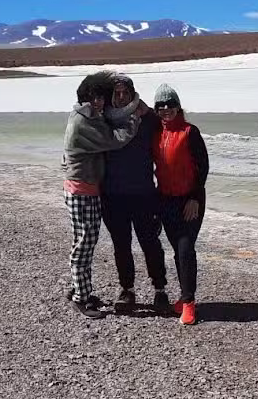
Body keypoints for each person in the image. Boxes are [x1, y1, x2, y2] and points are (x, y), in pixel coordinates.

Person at [62, 72, 142, 319]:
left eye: (101, 97)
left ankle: (80, 288)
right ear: (84, 97)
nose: (98, 102)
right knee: (85, 244)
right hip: (81, 190)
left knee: (84, 240)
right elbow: (115, 140)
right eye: (93, 98)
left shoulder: (88, 116)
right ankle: (81, 298)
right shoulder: (83, 122)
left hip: (85, 187)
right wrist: (134, 118)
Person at [101, 73, 169, 314]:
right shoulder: (104, 120)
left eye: (125, 93)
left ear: (132, 94)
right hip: (112, 195)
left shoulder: (147, 118)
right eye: (117, 93)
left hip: (143, 194)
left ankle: (160, 289)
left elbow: (169, 131)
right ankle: (127, 290)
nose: (121, 97)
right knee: (121, 245)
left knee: (150, 243)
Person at [152, 83, 209, 326]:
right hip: (166, 200)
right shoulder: (156, 133)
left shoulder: (189, 132)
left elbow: (203, 166)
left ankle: (188, 303)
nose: (166, 109)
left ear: (178, 107)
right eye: (161, 106)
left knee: (186, 249)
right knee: (177, 250)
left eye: (170, 105)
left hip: (190, 201)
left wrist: (194, 198)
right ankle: (185, 296)